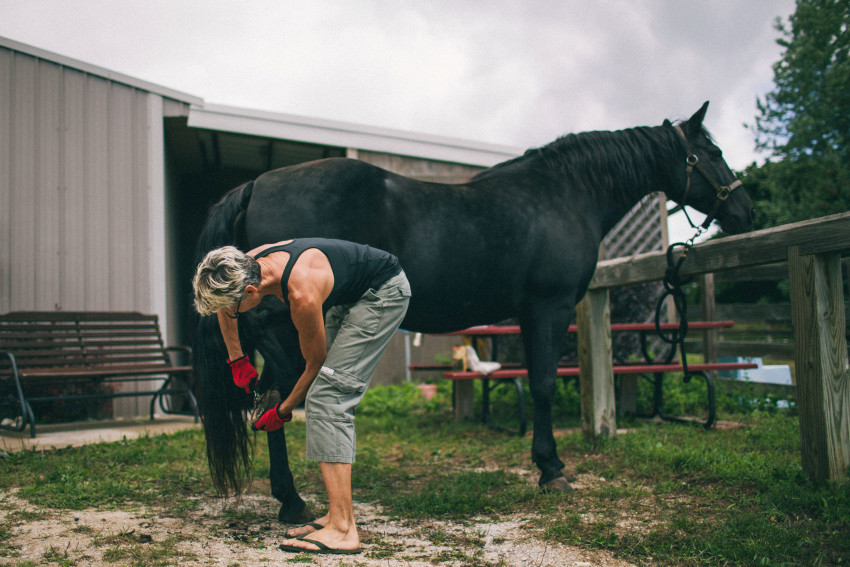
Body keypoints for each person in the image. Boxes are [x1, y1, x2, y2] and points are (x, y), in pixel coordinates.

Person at [192, 238, 411, 555]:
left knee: (328, 396)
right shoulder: (243, 265)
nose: (229, 313)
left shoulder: (302, 294)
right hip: (347, 295)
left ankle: (344, 529)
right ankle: (334, 517)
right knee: (326, 391)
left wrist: (283, 410)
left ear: (251, 293)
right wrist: (237, 358)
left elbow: (315, 364)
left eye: (232, 307)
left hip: (382, 294)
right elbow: (227, 309)